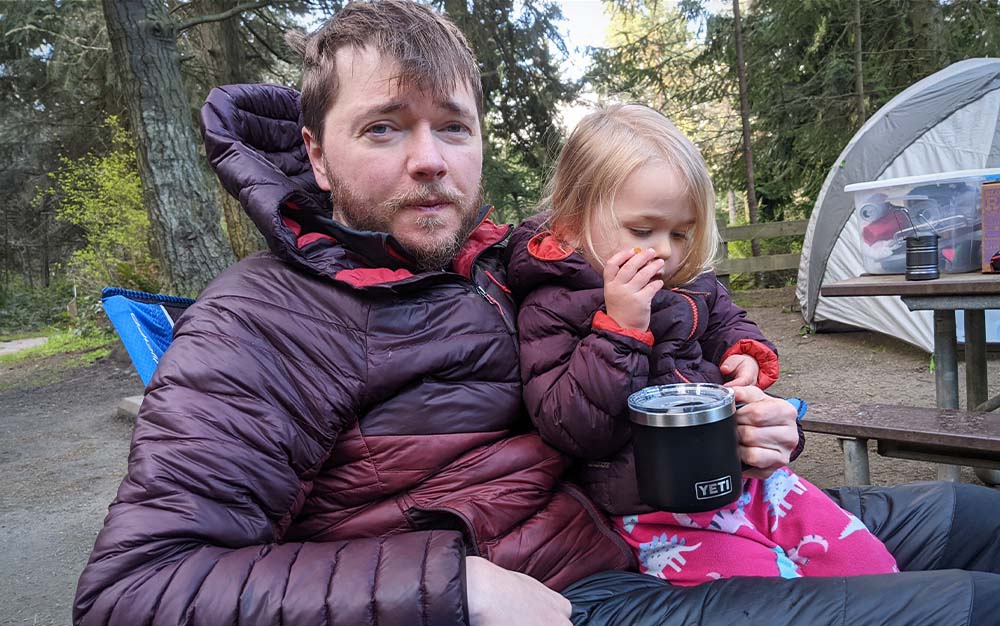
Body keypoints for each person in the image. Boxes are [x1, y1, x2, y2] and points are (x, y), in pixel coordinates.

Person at [73, 1, 1000, 625]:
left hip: (647, 519)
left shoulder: (511, 263)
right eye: (385, 127)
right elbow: (138, 587)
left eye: (454, 126)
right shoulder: (264, 321)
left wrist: (741, 424)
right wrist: (449, 587)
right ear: (316, 154)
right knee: (964, 606)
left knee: (973, 515)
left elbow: (625, 383)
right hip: (575, 596)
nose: (430, 158)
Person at [506, 103, 898, 585]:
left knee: (867, 567)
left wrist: (743, 353)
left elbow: (728, 320)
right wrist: (619, 329)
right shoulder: (552, 305)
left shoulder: (690, 282)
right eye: (642, 230)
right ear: (570, 222)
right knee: (766, 594)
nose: (666, 251)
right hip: (655, 510)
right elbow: (573, 427)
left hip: (750, 479)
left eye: (680, 233)